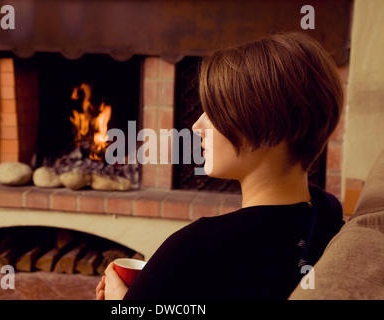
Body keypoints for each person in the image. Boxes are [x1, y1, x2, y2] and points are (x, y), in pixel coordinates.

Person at [96, 32, 344, 300]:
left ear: (270, 126)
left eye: (215, 111)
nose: (197, 126)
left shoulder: (197, 247)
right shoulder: (328, 220)